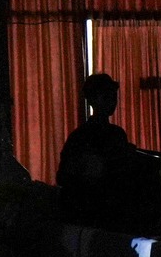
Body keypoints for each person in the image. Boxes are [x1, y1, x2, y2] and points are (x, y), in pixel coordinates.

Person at [56, 72, 153, 226]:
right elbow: (65, 177)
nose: (112, 101)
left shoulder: (93, 135)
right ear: (93, 99)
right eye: (107, 96)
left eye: (113, 96)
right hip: (97, 209)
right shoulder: (85, 137)